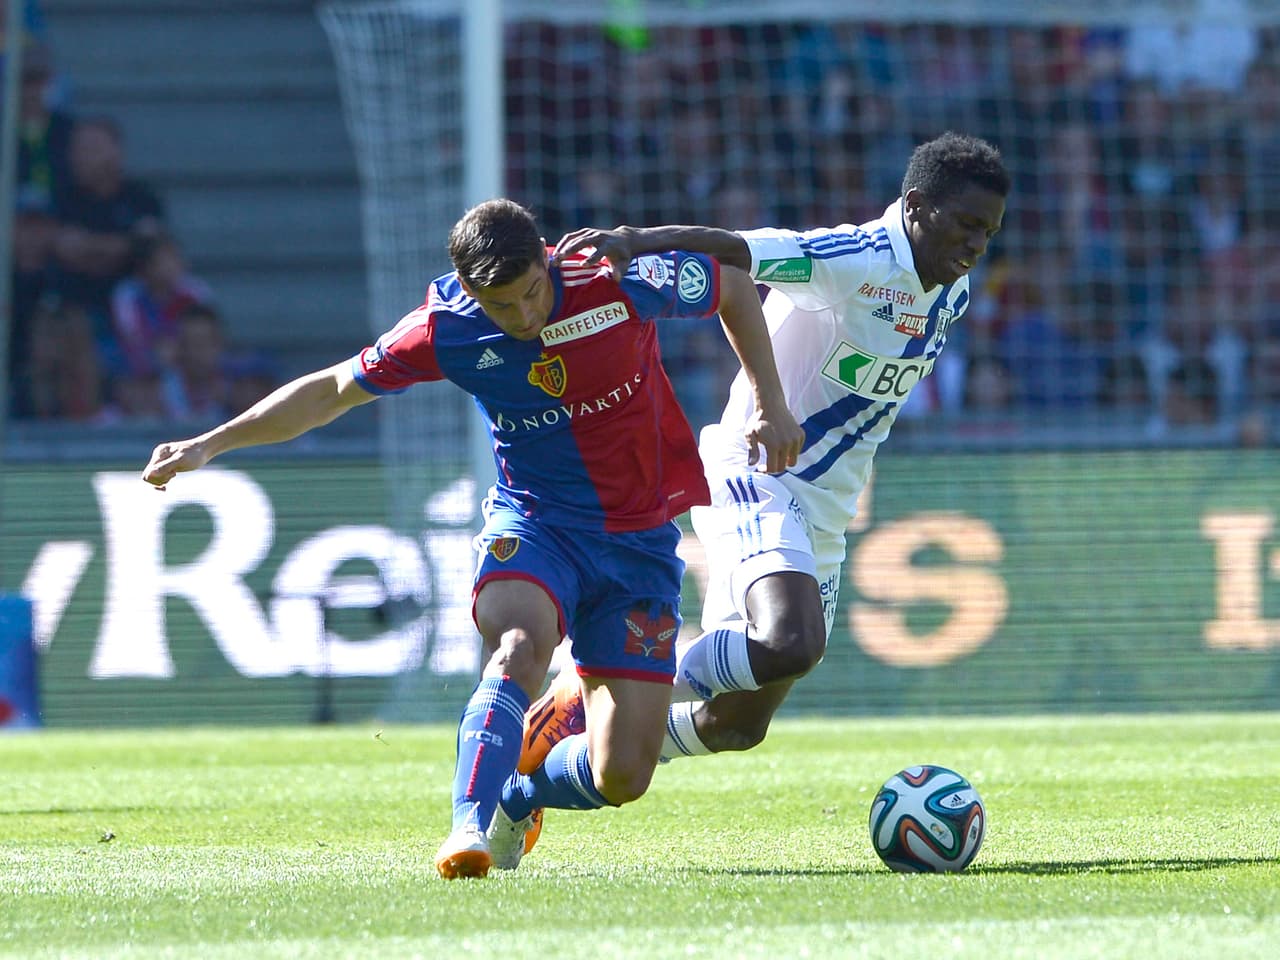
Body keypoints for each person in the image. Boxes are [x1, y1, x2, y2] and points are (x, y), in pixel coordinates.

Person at [140, 198, 803, 879]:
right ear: (468, 291)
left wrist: (771, 402)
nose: (522, 317)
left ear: (547, 258)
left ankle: (519, 793)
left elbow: (728, 285)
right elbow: (331, 389)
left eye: (531, 294)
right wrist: (209, 444)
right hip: (536, 524)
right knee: (517, 648)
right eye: (500, 306)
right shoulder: (446, 329)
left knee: (624, 775)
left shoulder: (614, 278)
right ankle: (469, 827)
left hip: (638, 540)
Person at [530, 131, 1010, 773]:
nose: (977, 245)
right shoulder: (858, 258)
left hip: (826, 517)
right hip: (757, 474)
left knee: (738, 724)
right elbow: (736, 255)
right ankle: (593, 684)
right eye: (967, 224)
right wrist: (636, 242)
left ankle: (539, 784)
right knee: (789, 642)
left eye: (989, 232)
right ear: (918, 205)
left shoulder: (951, 292)